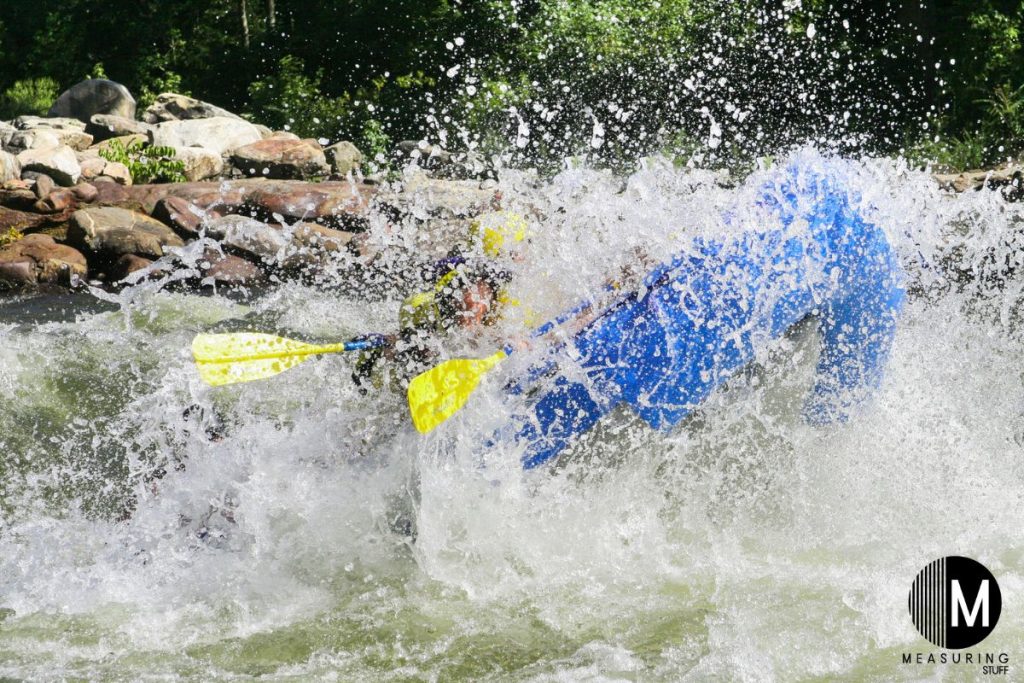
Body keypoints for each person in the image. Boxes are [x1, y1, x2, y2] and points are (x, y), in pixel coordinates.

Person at [495, 159, 906, 469]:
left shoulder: (795, 190)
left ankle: (491, 438)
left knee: (551, 393)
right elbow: (835, 422)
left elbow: (660, 259)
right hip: (709, 307)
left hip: (700, 275)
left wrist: (555, 330)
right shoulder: (875, 270)